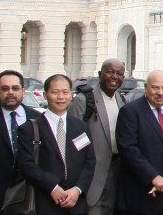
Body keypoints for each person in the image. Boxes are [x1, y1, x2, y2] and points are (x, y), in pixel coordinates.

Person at [16, 74, 96, 215]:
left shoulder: (81, 127)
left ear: (71, 95)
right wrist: (52, 187)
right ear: (45, 95)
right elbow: (26, 164)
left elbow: (90, 162)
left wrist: (78, 189)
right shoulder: (29, 129)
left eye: (65, 92)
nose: (61, 97)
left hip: (76, 203)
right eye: (55, 92)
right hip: (44, 202)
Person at [115, 71, 163, 215]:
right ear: (146, 88)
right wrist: (152, 176)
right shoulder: (130, 112)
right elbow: (128, 149)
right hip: (145, 192)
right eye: (155, 87)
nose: (161, 92)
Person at [0, 70, 44, 215]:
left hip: (28, 199)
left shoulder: (39, 120)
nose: (10, 92)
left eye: (15, 88)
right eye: (5, 88)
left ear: (23, 91)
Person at [69, 58, 126, 215]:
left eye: (119, 73)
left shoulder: (121, 100)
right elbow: (74, 138)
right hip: (92, 173)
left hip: (116, 170)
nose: (114, 76)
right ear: (100, 74)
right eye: (110, 72)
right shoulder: (84, 99)